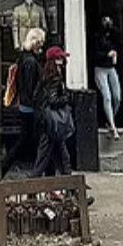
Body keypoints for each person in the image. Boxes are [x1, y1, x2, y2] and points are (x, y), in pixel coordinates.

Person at [1, 27, 45, 176]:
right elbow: (30, 86)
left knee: (28, 139)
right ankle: (6, 166)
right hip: (30, 107)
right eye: (40, 43)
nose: (41, 47)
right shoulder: (31, 62)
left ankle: (6, 166)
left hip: (25, 105)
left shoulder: (23, 58)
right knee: (28, 140)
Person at [32, 46, 74, 177]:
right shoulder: (55, 78)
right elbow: (53, 100)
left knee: (58, 157)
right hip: (52, 123)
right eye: (60, 58)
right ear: (54, 61)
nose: (63, 61)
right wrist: (67, 98)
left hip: (47, 122)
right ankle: (32, 188)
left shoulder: (46, 76)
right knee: (47, 159)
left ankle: (71, 189)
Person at [93, 15, 122, 139]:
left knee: (117, 97)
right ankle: (113, 127)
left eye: (109, 20)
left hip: (111, 68)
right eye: (105, 20)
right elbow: (93, 54)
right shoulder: (96, 37)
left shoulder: (114, 35)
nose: (107, 23)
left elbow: (121, 44)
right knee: (107, 97)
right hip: (100, 68)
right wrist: (106, 55)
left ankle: (110, 120)